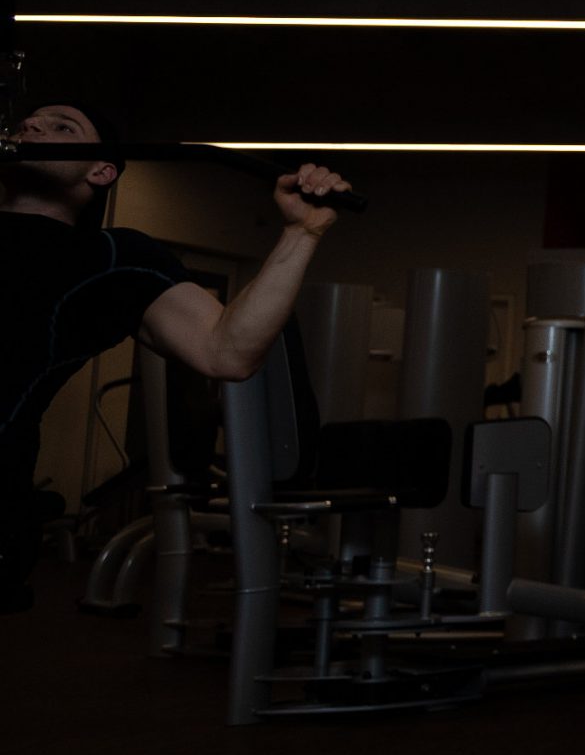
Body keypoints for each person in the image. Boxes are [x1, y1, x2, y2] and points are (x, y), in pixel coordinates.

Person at [2, 102, 354, 614]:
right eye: (27, 122)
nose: (32, 126)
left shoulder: (111, 258)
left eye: (63, 126)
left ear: (101, 171)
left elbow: (227, 351)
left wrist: (303, 232)